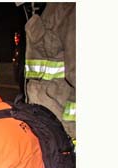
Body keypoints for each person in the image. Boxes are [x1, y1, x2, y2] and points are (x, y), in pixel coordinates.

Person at [21, 2, 76, 143]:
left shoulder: (69, 9)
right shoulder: (43, 10)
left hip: (65, 132)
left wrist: (72, 131)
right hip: (46, 128)